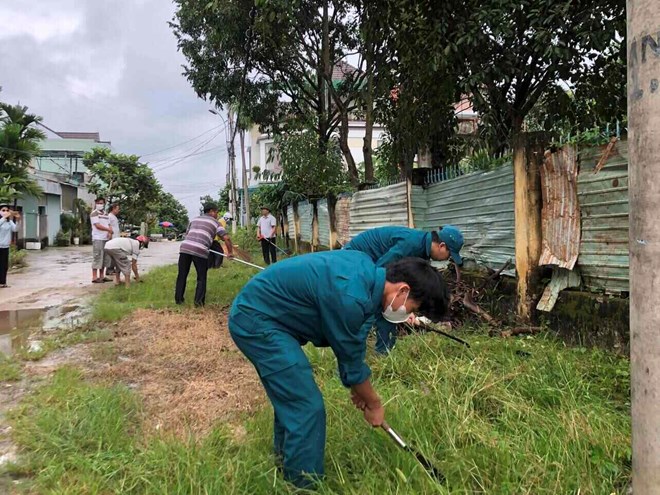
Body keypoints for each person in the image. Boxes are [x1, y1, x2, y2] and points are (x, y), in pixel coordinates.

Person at [228, 252, 449, 488]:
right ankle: (304, 487)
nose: (408, 314)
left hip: (270, 317)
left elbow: (354, 342)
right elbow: (351, 359)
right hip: (257, 320)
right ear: (403, 291)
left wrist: (359, 387)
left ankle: (285, 466)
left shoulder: (365, 271)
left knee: (294, 397)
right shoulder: (350, 295)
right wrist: (373, 403)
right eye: (412, 308)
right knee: (306, 407)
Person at [344, 225, 464, 354]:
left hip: (371, 266)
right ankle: (353, 356)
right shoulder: (411, 245)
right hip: (353, 260)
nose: (447, 259)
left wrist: (407, 308)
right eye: (449, 255)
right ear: (441, 246)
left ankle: (384, 353)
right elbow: (381, 272)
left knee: (388, 306)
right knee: (373, 304)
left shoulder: (422, 251)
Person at [175, 202, 233, 306]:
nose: (217, 214)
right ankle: (198, 303)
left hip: (185, 248)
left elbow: (187, 234)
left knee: (182, 275)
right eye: (216, 212)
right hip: (200, 250)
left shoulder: (194, 219)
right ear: (211, 211)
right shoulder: (216, 223)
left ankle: (179, 300)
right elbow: (226, 238)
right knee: (201, 277)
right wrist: (230, 253)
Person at [90, 197, 113, 284]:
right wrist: (108, 230)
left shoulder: (106, 214)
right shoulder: (94, 213)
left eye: (102, 203)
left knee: (105, 258)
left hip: (105, 238)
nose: (100, 204)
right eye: (98, 203)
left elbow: (109, 224)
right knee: (97, 257)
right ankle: (94, 277)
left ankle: (102, 276)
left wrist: (110, 232)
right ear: (96, 203)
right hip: (97, 238)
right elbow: (97, 225)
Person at [0, 205, 20, 288]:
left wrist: (18, 220)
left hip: (5, 247)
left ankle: (3, 282)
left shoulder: (9, 222)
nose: (5, 211)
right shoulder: (1, 221)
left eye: (7, 210)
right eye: (3, 210)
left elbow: (15, 229)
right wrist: (4, 218)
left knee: (4, 266)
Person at [105, 203, 121, 275]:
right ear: (113, 209)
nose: (118, 210)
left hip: (116, 238)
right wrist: (110, 235)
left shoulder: (114, 217)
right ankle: (109, 269)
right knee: (111, 254)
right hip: (112, 238)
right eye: (117, 209)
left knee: (114, 254)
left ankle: (112, 268)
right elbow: (108, 226)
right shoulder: (109, 216)